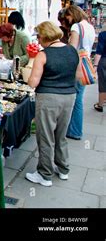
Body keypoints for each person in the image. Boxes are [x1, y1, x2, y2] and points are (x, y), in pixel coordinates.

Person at [26, 21, 78, 187]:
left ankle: (45, 174)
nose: (38, 40)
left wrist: (27, 69)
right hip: (69, 96)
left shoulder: (43, 54)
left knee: (46, 136)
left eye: (39, 36)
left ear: (45, 36)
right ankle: (63, 169)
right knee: (61, 135)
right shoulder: (72, 50)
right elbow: (75, 75)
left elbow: (33, 82)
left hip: (49, 97)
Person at [64, 5, 96, 140]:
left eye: (68, 17)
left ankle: (75, 131)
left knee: (75, 100)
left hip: (77, 67)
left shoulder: (76, 27)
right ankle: (74, 129)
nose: (68, 20)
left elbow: (72, 49)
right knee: (79, 99)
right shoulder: (90, 27)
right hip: (85, 65)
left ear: (73, 14)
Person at [92, 28, 106, 112]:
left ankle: (100, 105)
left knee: (103, 82)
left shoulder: (103, 34)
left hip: (104, 61)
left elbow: (99, 51)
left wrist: (95, 65)